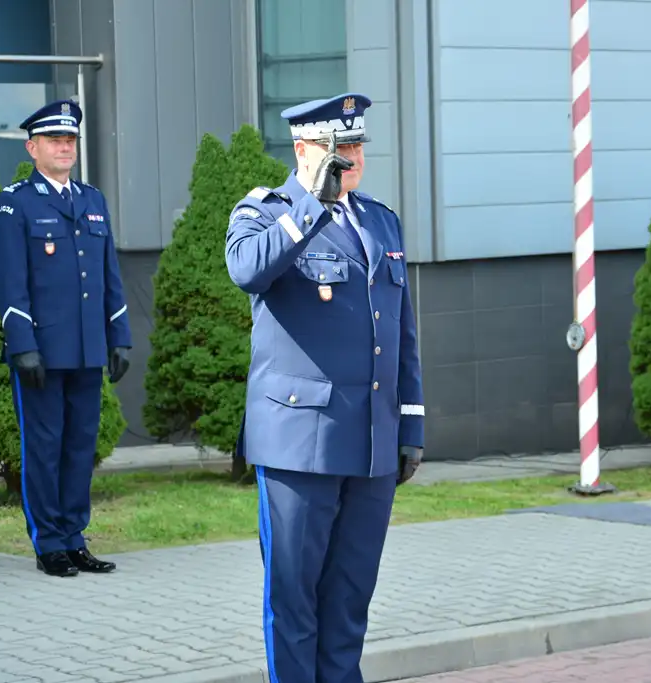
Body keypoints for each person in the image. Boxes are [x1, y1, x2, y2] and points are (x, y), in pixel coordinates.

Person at [224, 92, 425, 683]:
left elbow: (401, 332)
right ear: (303, 148)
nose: (351, 158)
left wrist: (408, 424)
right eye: (338, 147)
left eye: (357, 145)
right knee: (294, 600)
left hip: (370, 444)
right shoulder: (265, 211)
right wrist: (311, 202)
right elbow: (248, 270)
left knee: (349, 600)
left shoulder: (380, 220)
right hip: (298, 443)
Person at [0, 99, 132, 578]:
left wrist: (120, 334)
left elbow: (109, 274)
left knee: (78, 447)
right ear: (33, 148)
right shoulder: (15, 203)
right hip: (43, 352)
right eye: (55, 140)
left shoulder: (91, 201)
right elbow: (11, 284)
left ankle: (74, 537)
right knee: (44, 448)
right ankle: (48, 541)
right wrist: (22, 344)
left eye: (70, 140)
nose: (65, 147)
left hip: (88, 348)